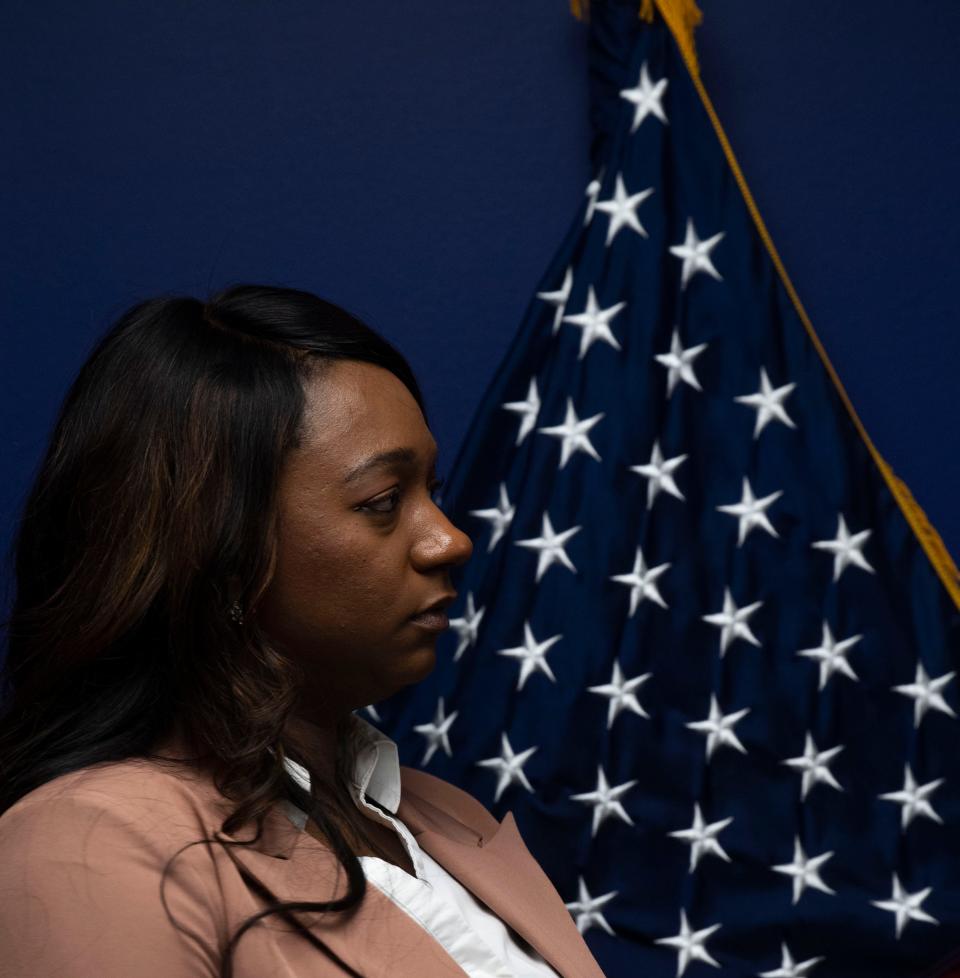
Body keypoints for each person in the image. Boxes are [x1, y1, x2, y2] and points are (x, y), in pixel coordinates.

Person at [0, 285, 608, 978]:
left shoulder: (445, 816)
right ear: (219, 554)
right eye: (383, 501)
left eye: (432, 492)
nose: (450, 540)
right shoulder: (89, 844)